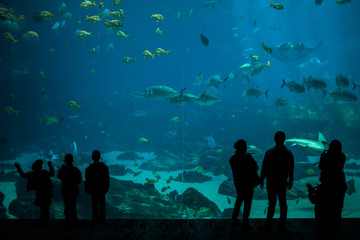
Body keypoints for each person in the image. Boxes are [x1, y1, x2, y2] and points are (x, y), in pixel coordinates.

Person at [259, 131, 294, 230]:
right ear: (284, 140)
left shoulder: (269, 152)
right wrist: (290, 180)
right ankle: (282, 223)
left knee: (272, 203)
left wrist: (261, 180)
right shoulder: (289, 153)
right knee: (283, 203)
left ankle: (268, 223)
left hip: (271, 181)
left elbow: (264, 168)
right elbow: (291, 169)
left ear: (274, 139)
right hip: (282, 181)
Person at [229, 139, 259, 230]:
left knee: (239, 200)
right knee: (247, 203)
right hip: (248, 183)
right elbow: (256, 168)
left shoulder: (232, 159)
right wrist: (249, 158)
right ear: (243, 148)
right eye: (245, 147)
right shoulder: (247, 158)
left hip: (238, 183)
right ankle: (245, 222)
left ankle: (234, 219)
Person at [318, 140, 347, 228]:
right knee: (338, 207)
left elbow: (320, 166)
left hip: (327, 184)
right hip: (339, 184)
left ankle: (325, 226)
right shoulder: (342, 156)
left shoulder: (326, 156)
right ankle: (336, 226)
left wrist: (322, 156)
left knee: (325, 207)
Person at [15, 159, 54, 223]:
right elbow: (52, 174)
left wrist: (18, 168)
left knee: (43, 206)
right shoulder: (44, 172)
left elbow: (23, 175)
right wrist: (50, 166)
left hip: (40, 192)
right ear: (40, 167)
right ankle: (45, 219)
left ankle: (44, 219)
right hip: (46, 191)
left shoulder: (32, 174)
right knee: (45, 206)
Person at [85, 150, 110, 224]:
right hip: (101, 189)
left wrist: (88, 189)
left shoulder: (89, 168)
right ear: (100, 157)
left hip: (94, 189)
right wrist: (106, 188)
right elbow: (107, 178)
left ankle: (95, 220)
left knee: (94, 205)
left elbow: (87, 179)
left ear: (92, 157)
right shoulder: (103, 167)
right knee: (102, 205)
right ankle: (102, 220)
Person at [57, 154, 82, 223]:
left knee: (67, 206)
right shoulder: (76, 170)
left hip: (65, 190)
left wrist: (62, 169)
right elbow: (80, 181)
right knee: (73, 206)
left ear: (65, 161)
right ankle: (74, 221)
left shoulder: (63, 169)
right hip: (74, 190)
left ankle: (67, 221)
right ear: (72, 161)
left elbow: (58, 176)